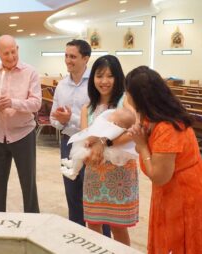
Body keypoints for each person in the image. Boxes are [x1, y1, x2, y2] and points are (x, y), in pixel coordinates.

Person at [126, 66, 202, 254]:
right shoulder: (152, 117)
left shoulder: (167, 127)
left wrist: (143, 145)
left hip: (188, 197)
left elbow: (159, 175)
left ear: (140, 98)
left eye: (128, 93)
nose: (126, 97)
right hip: (171, 194)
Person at [50, 39, 111, 237]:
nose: (68, 60)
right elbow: (53, 118)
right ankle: (76, 239)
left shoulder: (96, 83)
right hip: (68, 143)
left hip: (92, 145)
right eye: (66, 56)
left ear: (86, 58)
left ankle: (102, 241)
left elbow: (101, 120)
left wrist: (72, 119)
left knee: (95, 197)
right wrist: (61, 121)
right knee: (72, 194)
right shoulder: (61, 86)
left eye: (73, 56)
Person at [0, 35, 41, 213]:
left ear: (17, 49)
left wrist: (13, 102)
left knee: (28, 182)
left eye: (14, 52)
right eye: (6, 54)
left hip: (23, 133)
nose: (11, 57)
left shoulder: (30, 72)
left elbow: (36, 103)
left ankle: (33, 219)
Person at [83, 55, 139, 245]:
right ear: (93, 79)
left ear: (118, 78)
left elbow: (134, 132)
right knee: (93, 224)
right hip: (94, 171)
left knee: (118, 226)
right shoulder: (88, 108)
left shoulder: (125, 101)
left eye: (110, 76)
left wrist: (104, 142)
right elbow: (85, 138)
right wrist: (84, 151)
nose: (104, 81)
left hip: (119, 173)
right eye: (99, 76)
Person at [60, 107, 137, 180]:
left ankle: (73, 172)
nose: (109, 115)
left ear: (116, 123)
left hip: (106, 159)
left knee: (82, 153)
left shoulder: (113, 127)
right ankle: (73, 163)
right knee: (80, 149)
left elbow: (101, 135)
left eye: (112, 115)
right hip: (96, 165)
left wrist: (98, 142)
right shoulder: (87, 107)